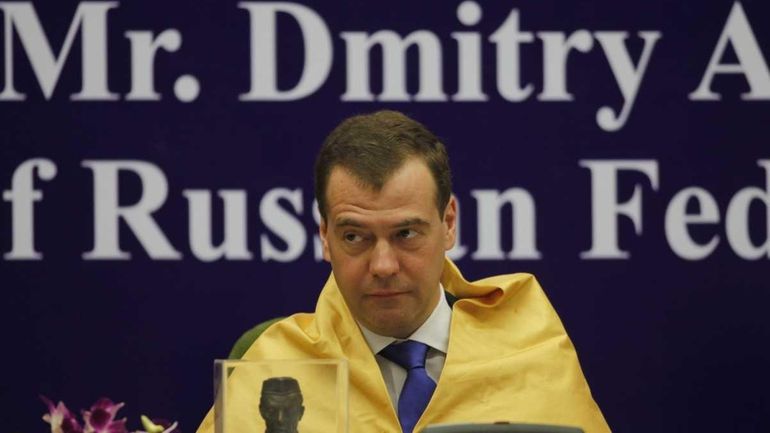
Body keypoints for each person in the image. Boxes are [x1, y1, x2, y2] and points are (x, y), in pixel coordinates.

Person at [197, 110, 610, 433]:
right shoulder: (276, 366)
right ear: (325, 237)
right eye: (355, 237)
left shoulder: (529, 347)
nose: (383, 266)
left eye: (406, 233)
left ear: (449, 223)